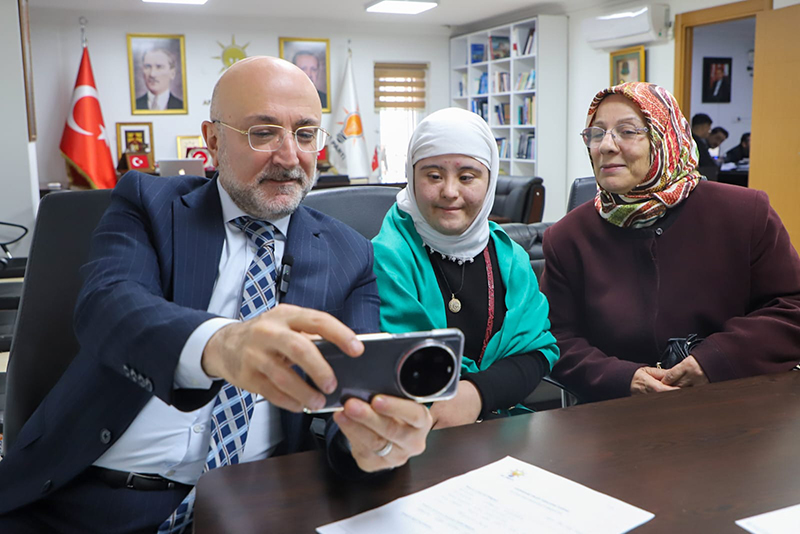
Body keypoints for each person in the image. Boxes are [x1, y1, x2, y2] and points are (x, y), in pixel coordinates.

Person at [0, 56, 432, 533]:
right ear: (213, 140)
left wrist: (374, 443)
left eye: (306, 134)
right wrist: (222, 345)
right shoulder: (150, 204)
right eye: (263, 133)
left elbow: (355, 396)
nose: (290, 157)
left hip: (257, 504)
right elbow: (109, 306)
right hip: (95, 499)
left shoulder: (350, 253)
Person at [541, 82, 800, 403]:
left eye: (627, 131)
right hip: (617, 415)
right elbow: (556, 338)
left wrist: (715, 360)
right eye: (596, 134)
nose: (605, 146)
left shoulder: (745, 213)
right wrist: (623, 378)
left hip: (736, 405)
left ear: (665, 137)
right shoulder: (567, 237)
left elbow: (792, 306)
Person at [372, 108, 559, 428]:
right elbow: (395, 369)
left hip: (502, 431)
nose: (449, 191)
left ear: (490, 180)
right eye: (433, 176)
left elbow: (538, 353)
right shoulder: (385, 258)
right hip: (413, 434)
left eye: (467, 177)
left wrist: (477, 394)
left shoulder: (510, 258)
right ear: (411, 178)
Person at [691, 113, 717, 180]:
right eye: (709, 129)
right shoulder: (698, 143)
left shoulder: (687, 138)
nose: (709, 132)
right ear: (704, 127)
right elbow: (707, 163)